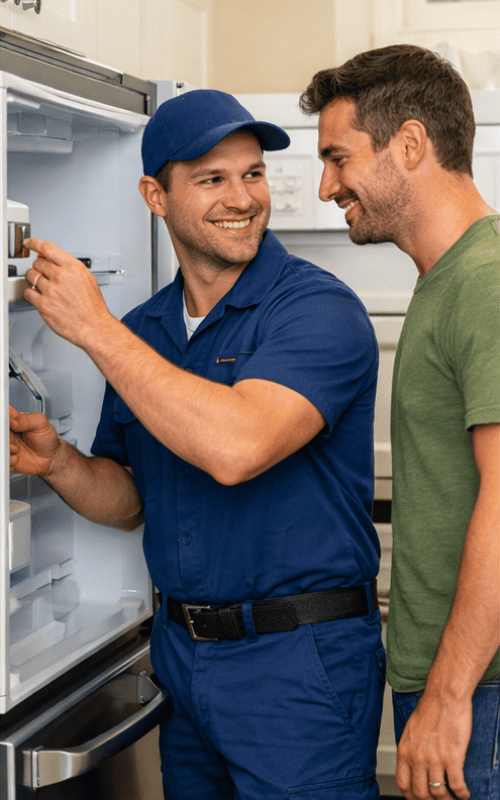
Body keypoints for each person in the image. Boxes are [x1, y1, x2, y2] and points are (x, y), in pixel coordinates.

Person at [9, 89, 385, 800]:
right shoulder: (148, 332)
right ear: (156, 195)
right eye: (212, 179)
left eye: (253, 174)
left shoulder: (316, 309)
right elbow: (129, 499)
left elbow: (236, 446)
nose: (242, 198)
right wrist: (57, 462)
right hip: (183, 657)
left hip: (298, 663)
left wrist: (94, 329)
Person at [299, 44, 500, 800]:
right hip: (454, 683)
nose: (326, 187)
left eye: (338, 157)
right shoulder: (445, 281)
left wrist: (448, 696)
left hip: (475, 693)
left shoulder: (486, 282)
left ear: (409, 144)